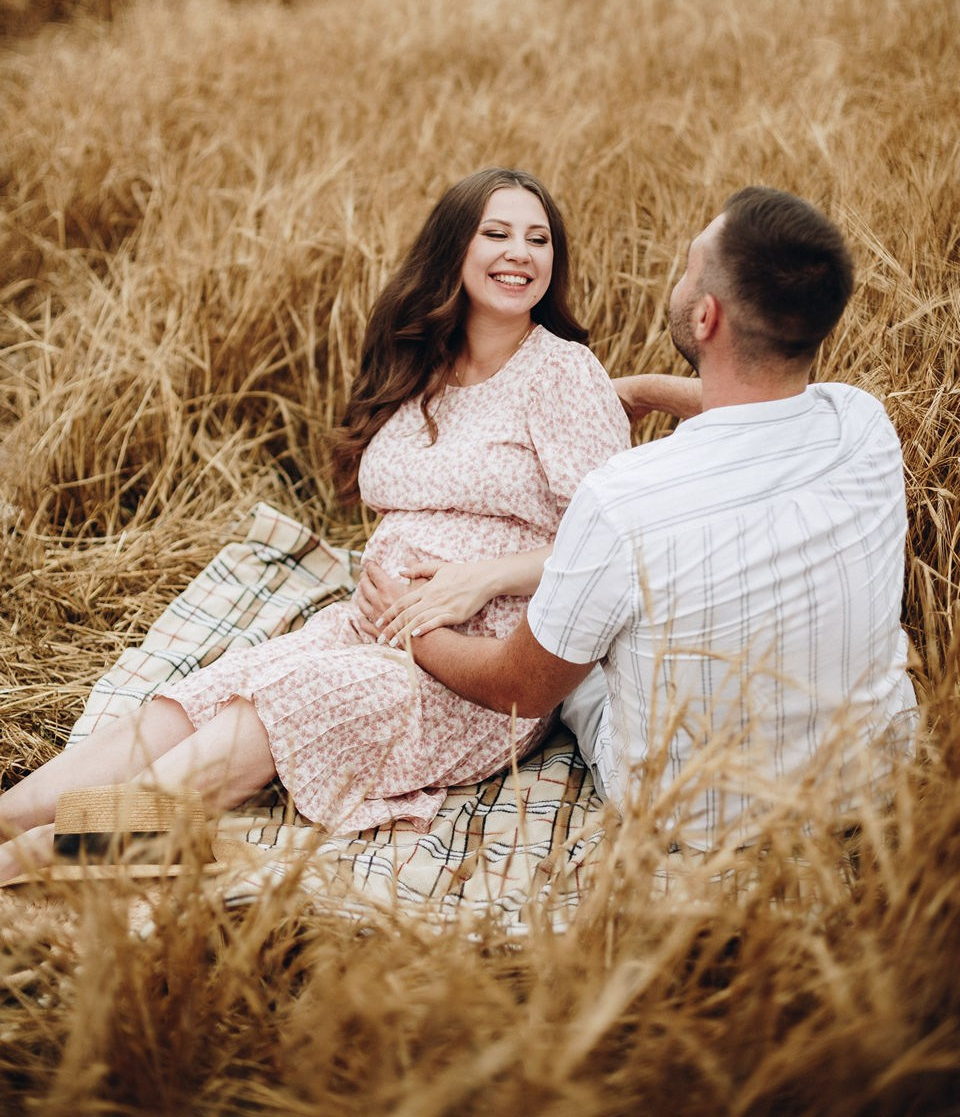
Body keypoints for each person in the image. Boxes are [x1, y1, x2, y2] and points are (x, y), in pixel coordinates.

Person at [0, 168, 634, 882]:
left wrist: (476, 579)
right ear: (453, 248)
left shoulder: (563, 373)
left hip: (480, 661)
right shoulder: (421, 361)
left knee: (298, 700)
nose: (520, 252)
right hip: (370, 625)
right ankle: (12, 820)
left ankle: (49, 856)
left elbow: (615, 541)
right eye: (497, 233)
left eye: (538, 238)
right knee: (211, 691)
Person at [383, 186, 916, 851]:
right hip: (868, 776)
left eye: (692, 267)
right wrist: (642, 392)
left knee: (580, 653)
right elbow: (764, 401)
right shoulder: (861, 423)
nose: (681, 277)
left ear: (706, 318)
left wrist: (410, 624)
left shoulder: (623, 499)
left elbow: (516, 687)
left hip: (695, 812)